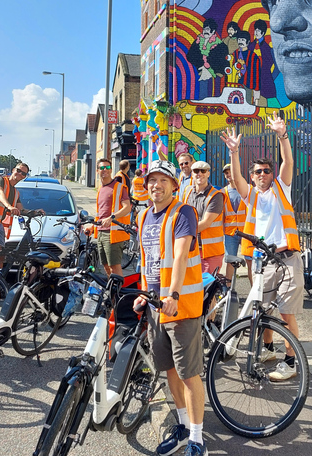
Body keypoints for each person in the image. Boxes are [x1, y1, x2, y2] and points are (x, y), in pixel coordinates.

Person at [220, 113, 303, 381]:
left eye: (267, 170)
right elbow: (236, 177)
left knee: (287, 311)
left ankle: (291, 361)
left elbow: (288, 161)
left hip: (287, 258)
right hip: (264, 261)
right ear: (253, 177)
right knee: (263, 309)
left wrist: (282, 135)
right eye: (258, 172)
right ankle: (267, 349)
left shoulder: (282, 187)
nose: (264, 174)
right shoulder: (251, 196)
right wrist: (234, 153)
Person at [133, 160, 207, 456]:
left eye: (163, 180)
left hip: (180, 307)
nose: (156, 185)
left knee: (189, 373)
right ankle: (182, 425)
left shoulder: (183, 212)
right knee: (170, 371)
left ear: (175, 185)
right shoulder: (144, 217)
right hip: (154, 306)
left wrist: (173, 294)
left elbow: (178, 257)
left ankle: (198, 439)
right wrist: (144, 294)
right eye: (152, 179)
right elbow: (148, 261)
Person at [182, 161, 225, 274]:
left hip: (210, 252)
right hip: (191, 248)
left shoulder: (216, 195)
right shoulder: (187, 191)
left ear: (208, 174)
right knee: (192, 287)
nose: (199, 174)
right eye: (196, 171)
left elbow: (206, 223)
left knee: (208, 288)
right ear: (192, 174)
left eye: (203, 171)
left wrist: (181, 232)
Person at [94, 158, 131, 277]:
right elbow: (100, 212)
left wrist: (112, 217)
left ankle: (119, 294)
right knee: (105, 265)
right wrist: (92, 227)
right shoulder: (100, 189)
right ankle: (113, 292)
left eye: (108, 167)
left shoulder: (119, 187)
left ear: (111, 170)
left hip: (113, 233)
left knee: (114, 266)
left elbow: (127, 207)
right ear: (97, 170)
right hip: (101, 231)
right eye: (102, 168)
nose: (105, 170)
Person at [0, 163, 31, 266]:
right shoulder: (0, 180)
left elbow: (20, 209)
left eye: (23, 174)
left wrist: (35, 212)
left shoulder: (16, 192)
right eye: (18, 170)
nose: (20, 174)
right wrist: (9, 206)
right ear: (13, 170)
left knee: (0, 252)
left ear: (24, 177)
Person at [221, 163, 252, 284]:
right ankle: (227, 290)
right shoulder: (223, 192)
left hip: (246, 232)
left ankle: (254, 292)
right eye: (226, 173)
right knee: (230, 261)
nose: (229, 175)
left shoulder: (248, 189)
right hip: (230, 233)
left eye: (231, 172)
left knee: (250, 261)